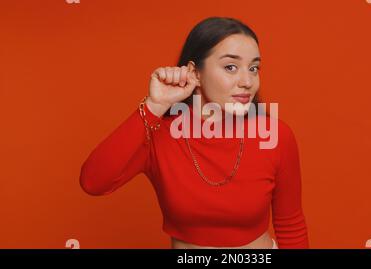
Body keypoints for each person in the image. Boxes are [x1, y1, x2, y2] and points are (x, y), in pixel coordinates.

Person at [79, 17, 309, 249]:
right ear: (195, 73)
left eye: (254, 68)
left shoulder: (275, 136)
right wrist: (154, 106)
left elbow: (291, 225)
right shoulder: (160, 134)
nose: (247, 81)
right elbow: (94, 182)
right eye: (231, 67)